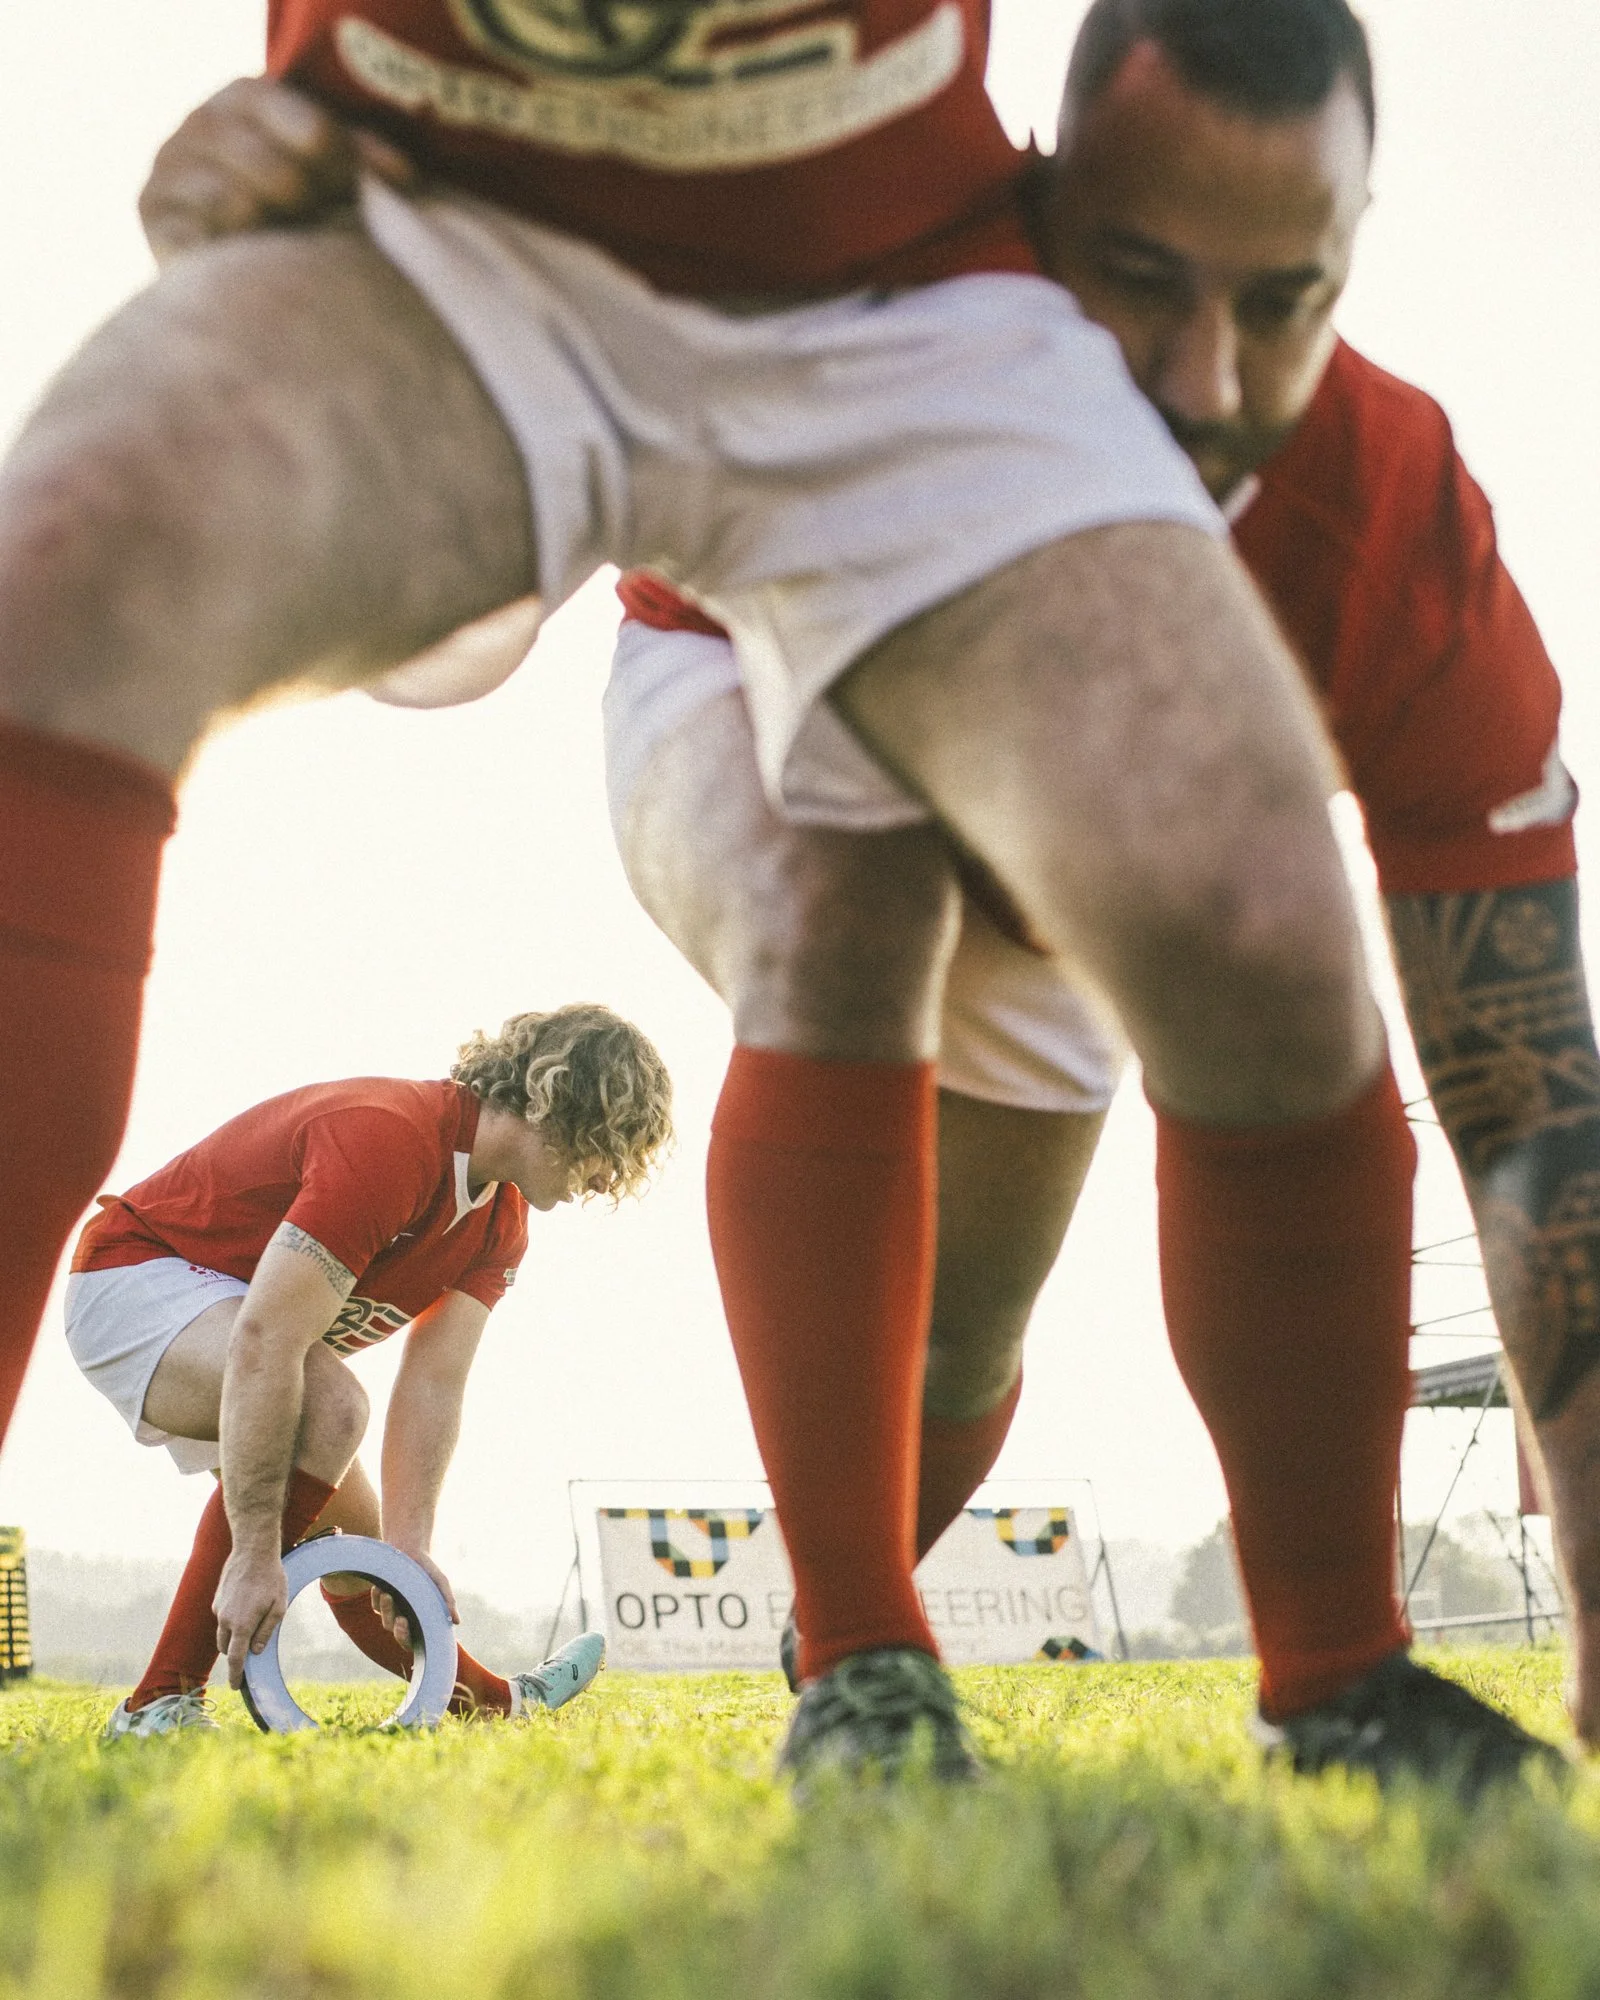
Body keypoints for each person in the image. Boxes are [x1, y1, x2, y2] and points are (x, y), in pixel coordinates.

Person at [141, 0, 1579, 1794]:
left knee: (979, 1319)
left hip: (1083, 844)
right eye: (1138, 278)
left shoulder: (1392, 524)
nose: (1205, 385)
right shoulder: (868, 275)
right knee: (838, 893)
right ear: (1031, 205)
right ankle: (865, 1664)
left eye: (1284, 299)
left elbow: (1531, 1104)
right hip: (730, 661)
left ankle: (1330, 1677)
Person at [66, 1005, 672, 1734]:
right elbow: (265, 1339)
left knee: (360, 1548)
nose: (608, 1180)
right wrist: (255, 1552)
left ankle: (499, 1704)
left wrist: (409, 1550)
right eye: (614, 1145)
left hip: (242, 1326)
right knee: (333, 1412)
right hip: (134, 1275)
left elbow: (433, 1385)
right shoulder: (392, 1139)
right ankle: (157, 1704)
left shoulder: (503, 1223)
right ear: (557, 1099)